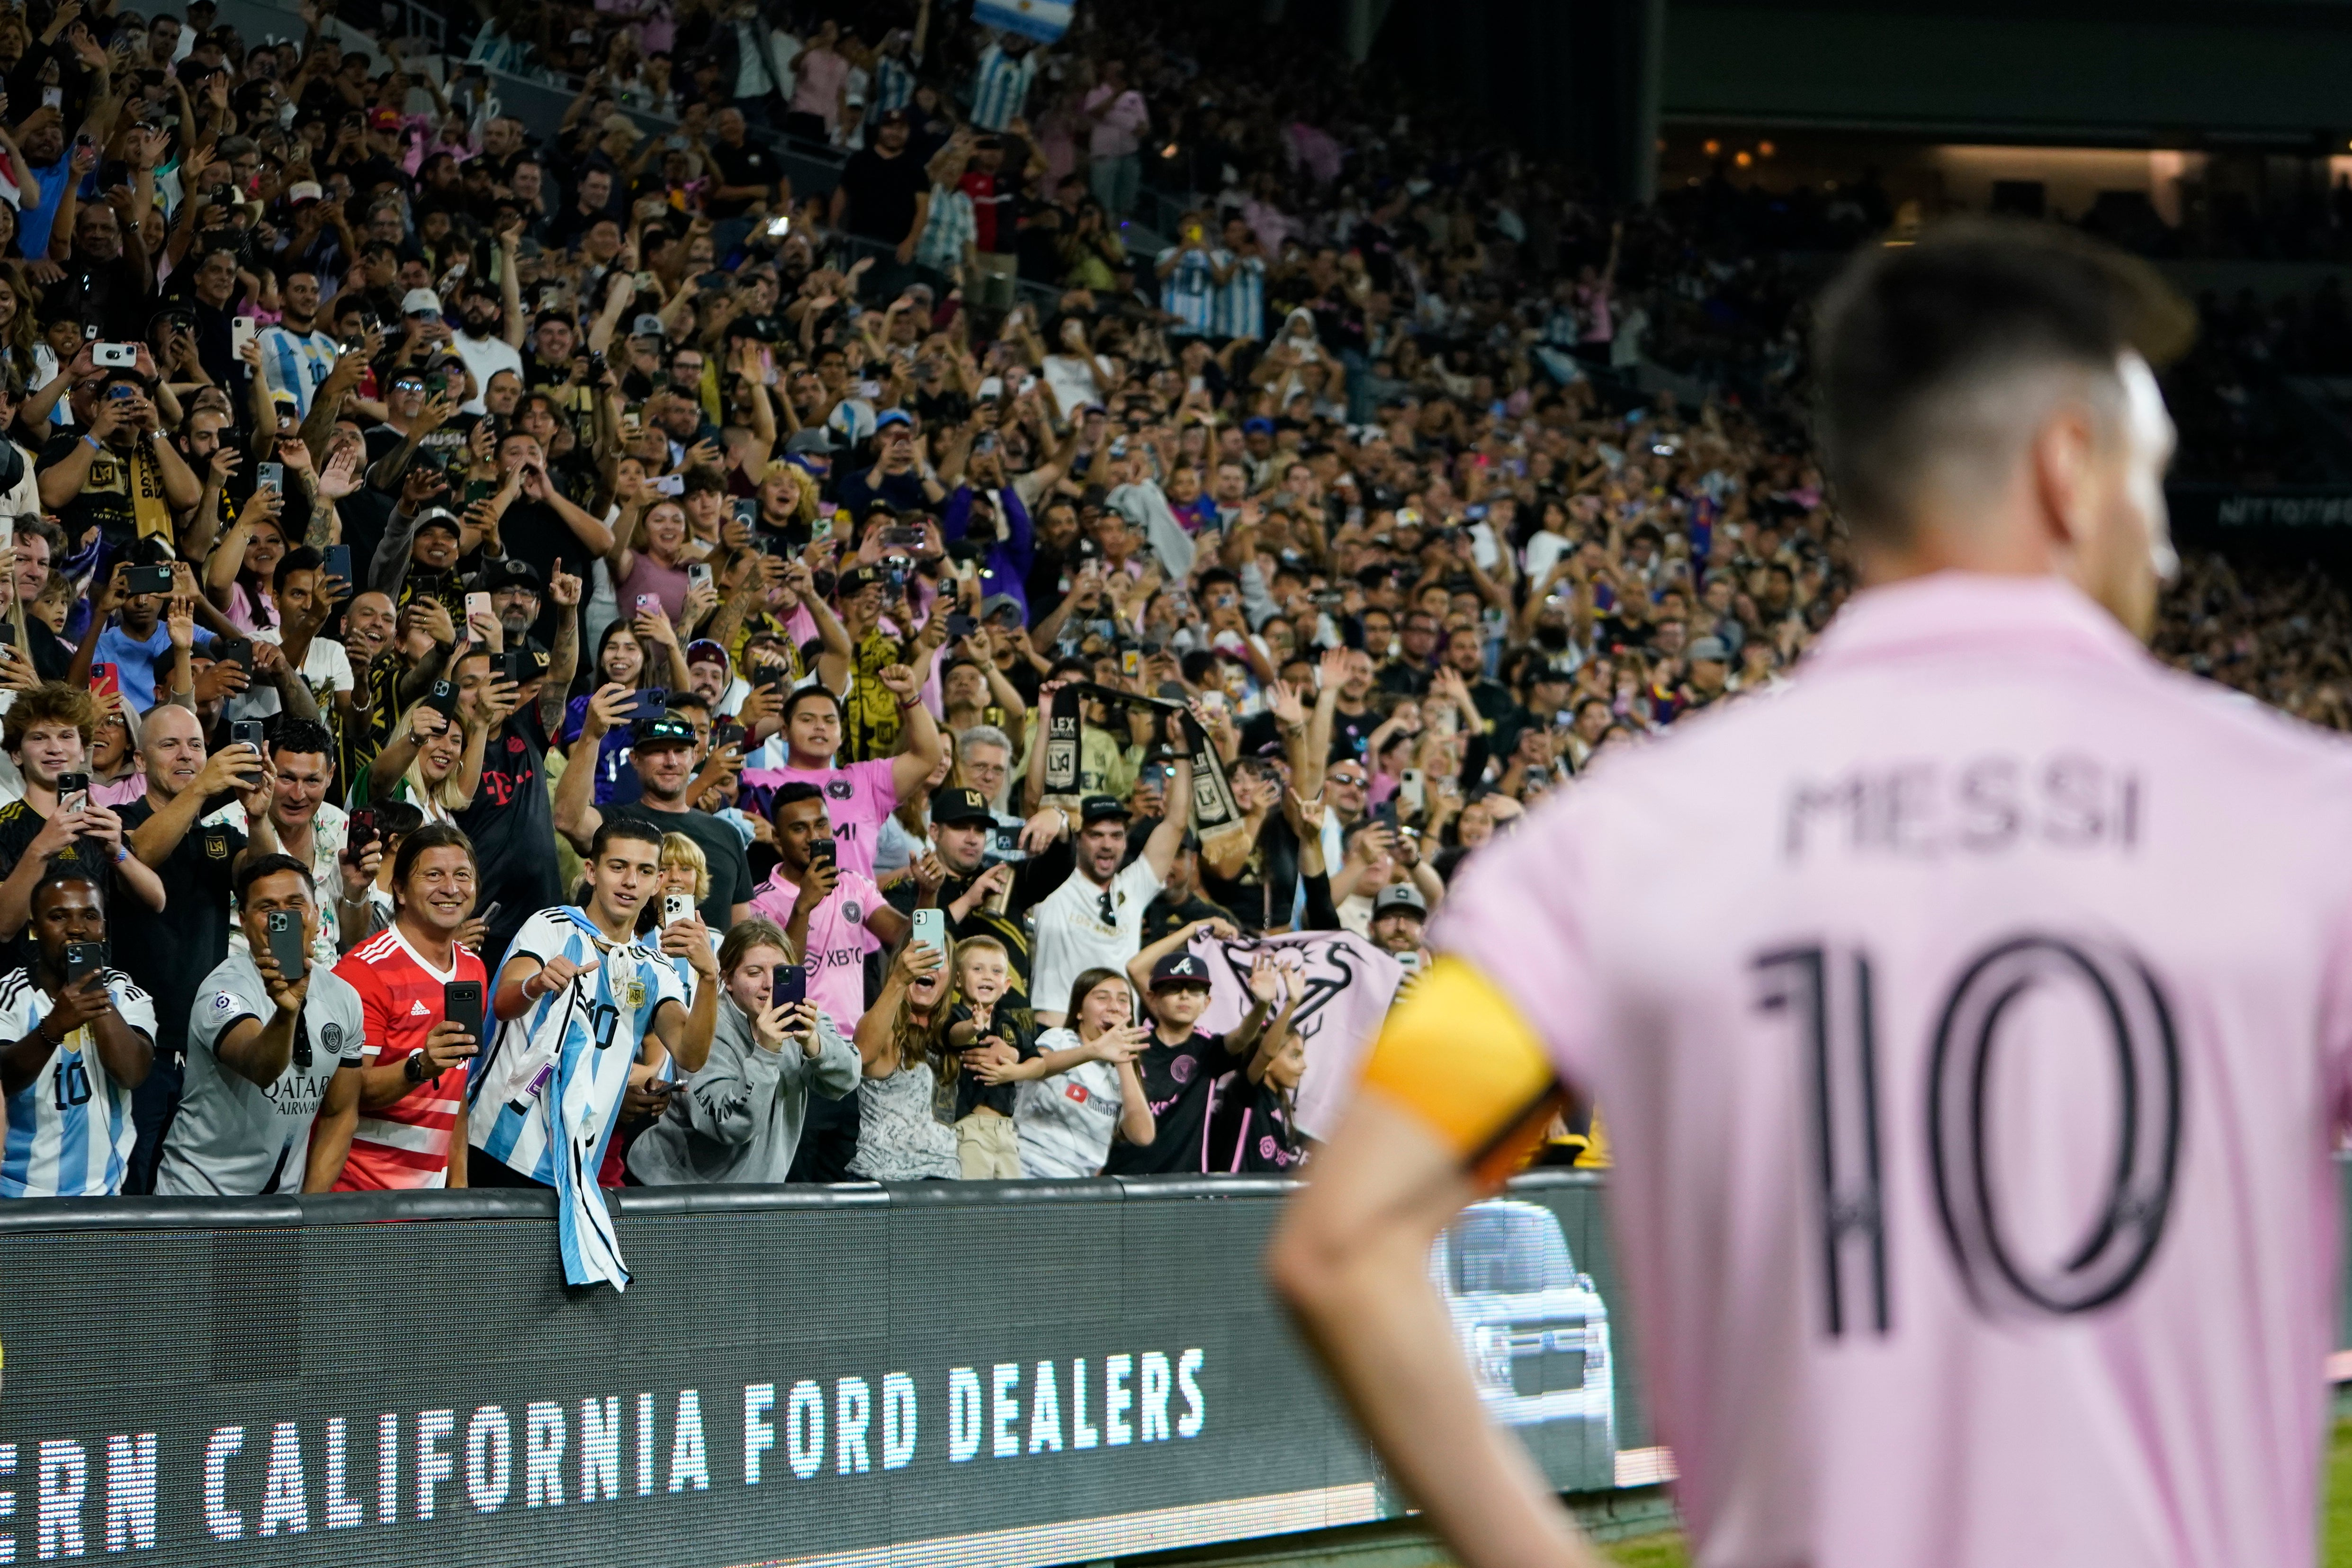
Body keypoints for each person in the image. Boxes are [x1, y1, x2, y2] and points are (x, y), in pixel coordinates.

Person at [1266, 221, 2342, 1568]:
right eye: (2154, 483)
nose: (2166, 548)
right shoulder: (2298, 816)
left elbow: (1341, 1242)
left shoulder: (1613, 842)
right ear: (2068, 467)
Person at [467, 819, 718, 1285]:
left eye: (644, 871)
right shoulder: (550, 926)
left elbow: (691, 1051)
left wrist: (708, 979)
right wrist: (536, 983)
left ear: (659, 881)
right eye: (617, 866)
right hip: (500, 1149)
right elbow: (503, 1000)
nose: (630, 881)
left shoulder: (657, 968)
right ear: (591, 870)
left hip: (575, 1168)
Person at [118, 710, 277, 1193]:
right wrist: (202, 788)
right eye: (170, 745)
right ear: (142, 759)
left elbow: (265, 876)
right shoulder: (120, 823)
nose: (186, 754)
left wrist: (259, 814)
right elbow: (142, 853)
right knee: (137, 1178)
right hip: (139, 1042)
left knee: (194, 1183)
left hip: (206, 1047)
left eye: (194, 744)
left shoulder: (217, 834)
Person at [152, 855, 368, 1197]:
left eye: (295, 904)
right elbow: (260, 1067)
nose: (281, 917)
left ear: (316, 912)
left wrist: (306, 1210)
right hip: (199, 1199)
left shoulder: (344, 998)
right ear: (243, 920)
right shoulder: (223, 990)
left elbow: (341, 1113)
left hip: (282, 1210)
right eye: (267, 907)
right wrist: (285, 1015)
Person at [307, 824, 489, 1191]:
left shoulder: (473, 969)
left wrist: (458, 1190)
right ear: (401, 890)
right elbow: (346, 1093)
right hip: (359, 1197)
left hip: (430, 1205)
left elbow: (456, 1092)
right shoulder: (365, 970)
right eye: (434, 875)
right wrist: (420, 1067)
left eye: (462, 876)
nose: (451, 889)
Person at [628, 916, 858, 1185]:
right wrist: (766, 1053)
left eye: (781, 971)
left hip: (755, 1192)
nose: (770, 984)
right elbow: (730, 1126)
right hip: (674, 1189)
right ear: (728, 979)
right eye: (754, 972)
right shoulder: (707, 1031)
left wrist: (813, 1043)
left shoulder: (803, 1019)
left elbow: (848, 1079)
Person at [0, 868, 157, 1197]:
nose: (76, 929)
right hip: (17, 1196)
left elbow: (132, 1073)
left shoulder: (126, 993)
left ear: (103, 928)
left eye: (90, 916)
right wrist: (53, 1027)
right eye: (59, 917)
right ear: (34, 929)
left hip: (104, 1195)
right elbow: (5, 1079)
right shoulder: (10, 994)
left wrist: (94, 995)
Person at [555, 690, 758, 932]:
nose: (671, 761)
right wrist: (591, 735)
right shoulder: (615, 824)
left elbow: (741, 931)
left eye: (680, 751)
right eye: (658, 751)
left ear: (695, 756)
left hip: (711, 967)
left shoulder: (728, 834)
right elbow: (567, 820)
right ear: (635, 760)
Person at [0, 682, 167, 967]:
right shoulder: (6, 827)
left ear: (82, 751)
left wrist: (118, 853)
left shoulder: (98, 820)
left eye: (66, 736)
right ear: (17, 754)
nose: (54, 749)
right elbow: (3, 927)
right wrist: (40, 849)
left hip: (95, 987)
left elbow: (157, 901)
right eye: (39, 738)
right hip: (23, 995)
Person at [1028, 745, 1194, 1028]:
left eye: (1116, 836)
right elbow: (1035, 803)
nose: (1107, 845)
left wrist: (1181, 750)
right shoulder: (1054, 881)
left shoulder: (1133, 885)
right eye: (1096, 835)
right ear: (1079, 839)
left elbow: (1176, 824)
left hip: (1119, 1033)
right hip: (1059, 1031)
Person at [737, 665, 943, 882]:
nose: (819, 727)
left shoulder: (867, 779)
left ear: (841, 736)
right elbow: (704, 762)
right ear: (784, 732)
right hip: (778, 912)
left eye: (829, 720)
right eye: (807, 720)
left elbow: (928, 756)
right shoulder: (753, 782)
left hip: (855, 912)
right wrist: (744, 720)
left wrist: (909, 695)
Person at [749, 781, 909, 1033]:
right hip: (796, 1041)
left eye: (821, 825)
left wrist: (928, 893)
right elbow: (781, 975)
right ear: (777, 837)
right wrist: (803, 906)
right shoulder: (760, 901)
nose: (814, 837)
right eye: (800, 828)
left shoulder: (854, 885)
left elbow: (904, 936)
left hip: (851, 1045)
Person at [1105, 942, 1274, 1175]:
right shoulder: (1128, 1044)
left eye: (1195, 990)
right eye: (1174, 988)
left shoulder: (1209, 1050)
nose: (1184, 995)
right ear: (1152, 998)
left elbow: (1241, 1039)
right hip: (1121, 1179)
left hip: (1184, 1187)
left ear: (1207, 1003)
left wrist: (1262, 1004)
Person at [994, 966, 1152, 1177]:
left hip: (1076, 1190)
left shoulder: (1121, 1075)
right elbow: (1038, 1067)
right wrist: (1094, 1050)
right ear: (1079, 1011)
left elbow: (1143, 1136)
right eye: (1102, 998)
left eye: (1124, 1000)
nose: (1114, 1007)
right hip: (1026, 1171)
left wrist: (1123, 1060)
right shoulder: (1061, 1039)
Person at [847, 933, 961, 1180]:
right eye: (919, 955)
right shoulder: (887, 1031)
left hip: (945, 1184)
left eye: (938, 957)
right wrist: (899, 981)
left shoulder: (953, 1036)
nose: (928, 964)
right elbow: (862, 1054)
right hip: (886, 1187)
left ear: (952, 976)